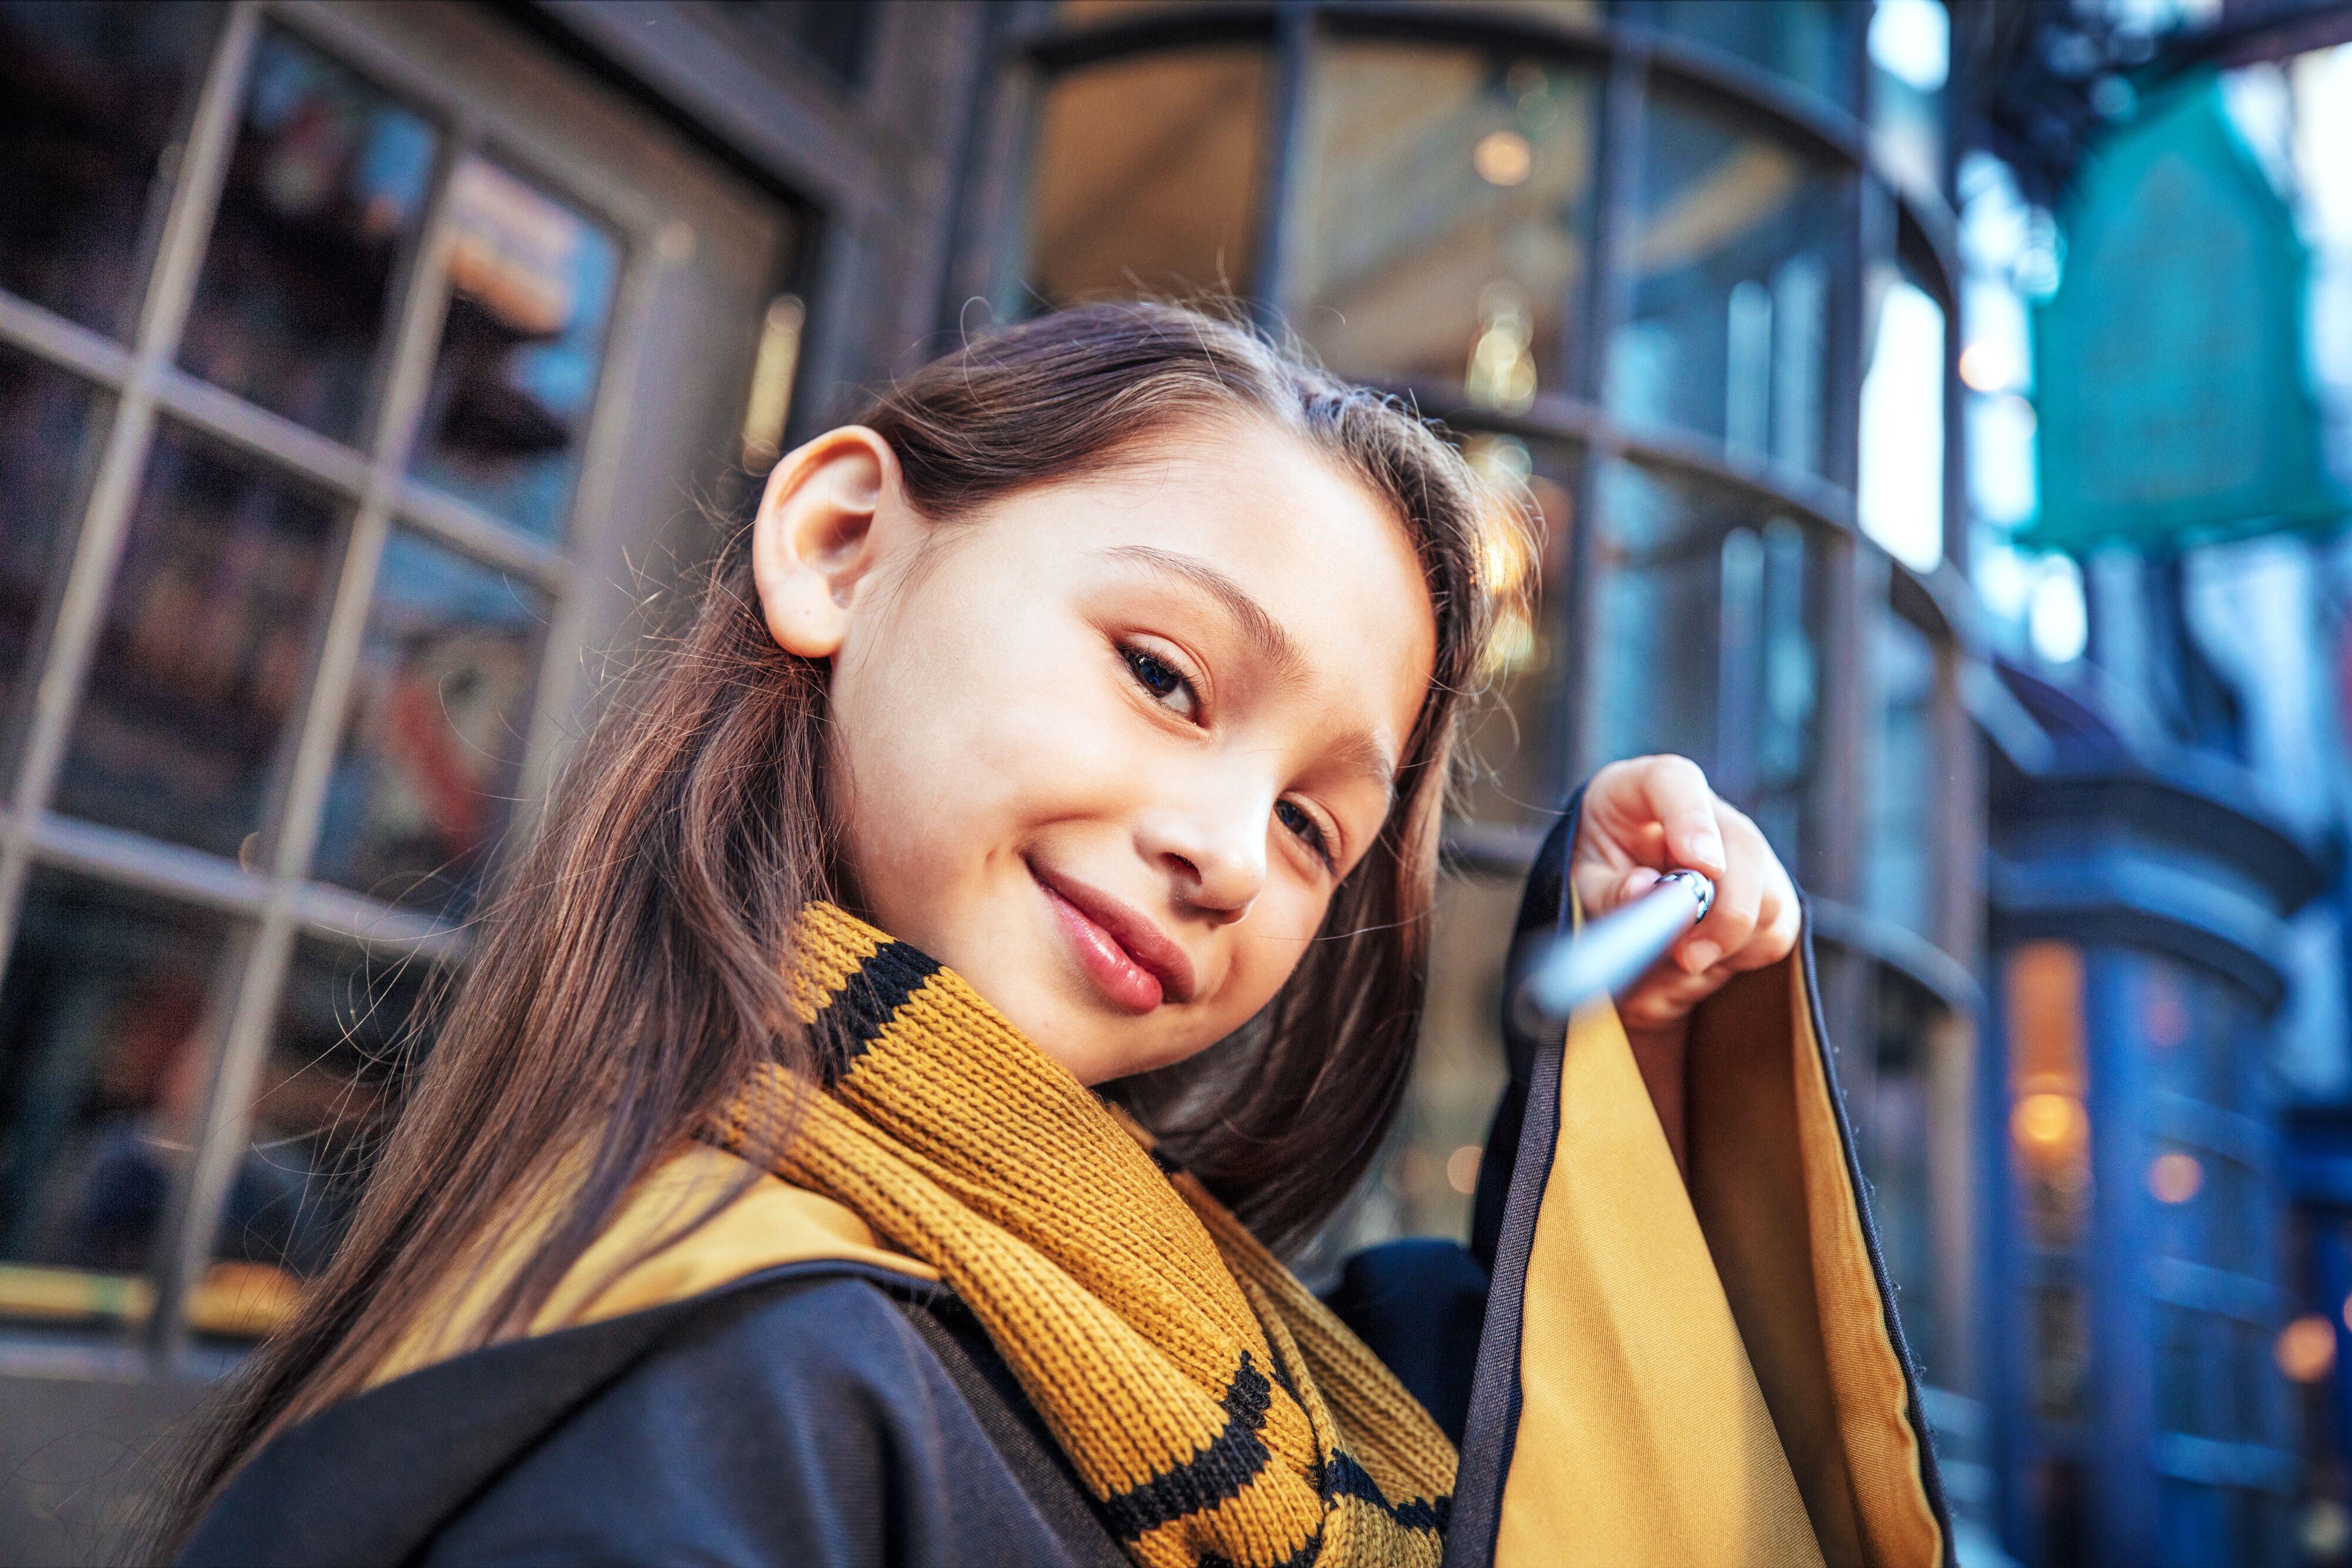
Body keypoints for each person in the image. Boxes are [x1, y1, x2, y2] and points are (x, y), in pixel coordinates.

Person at [161, 302, 1949, 1567]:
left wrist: (1646, 1045)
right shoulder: (719, 1391)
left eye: (1315, 823)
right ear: (842, 544)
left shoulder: (1223, 1353)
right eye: (1163, 673)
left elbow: (1564, 1454)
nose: (1228, 853)